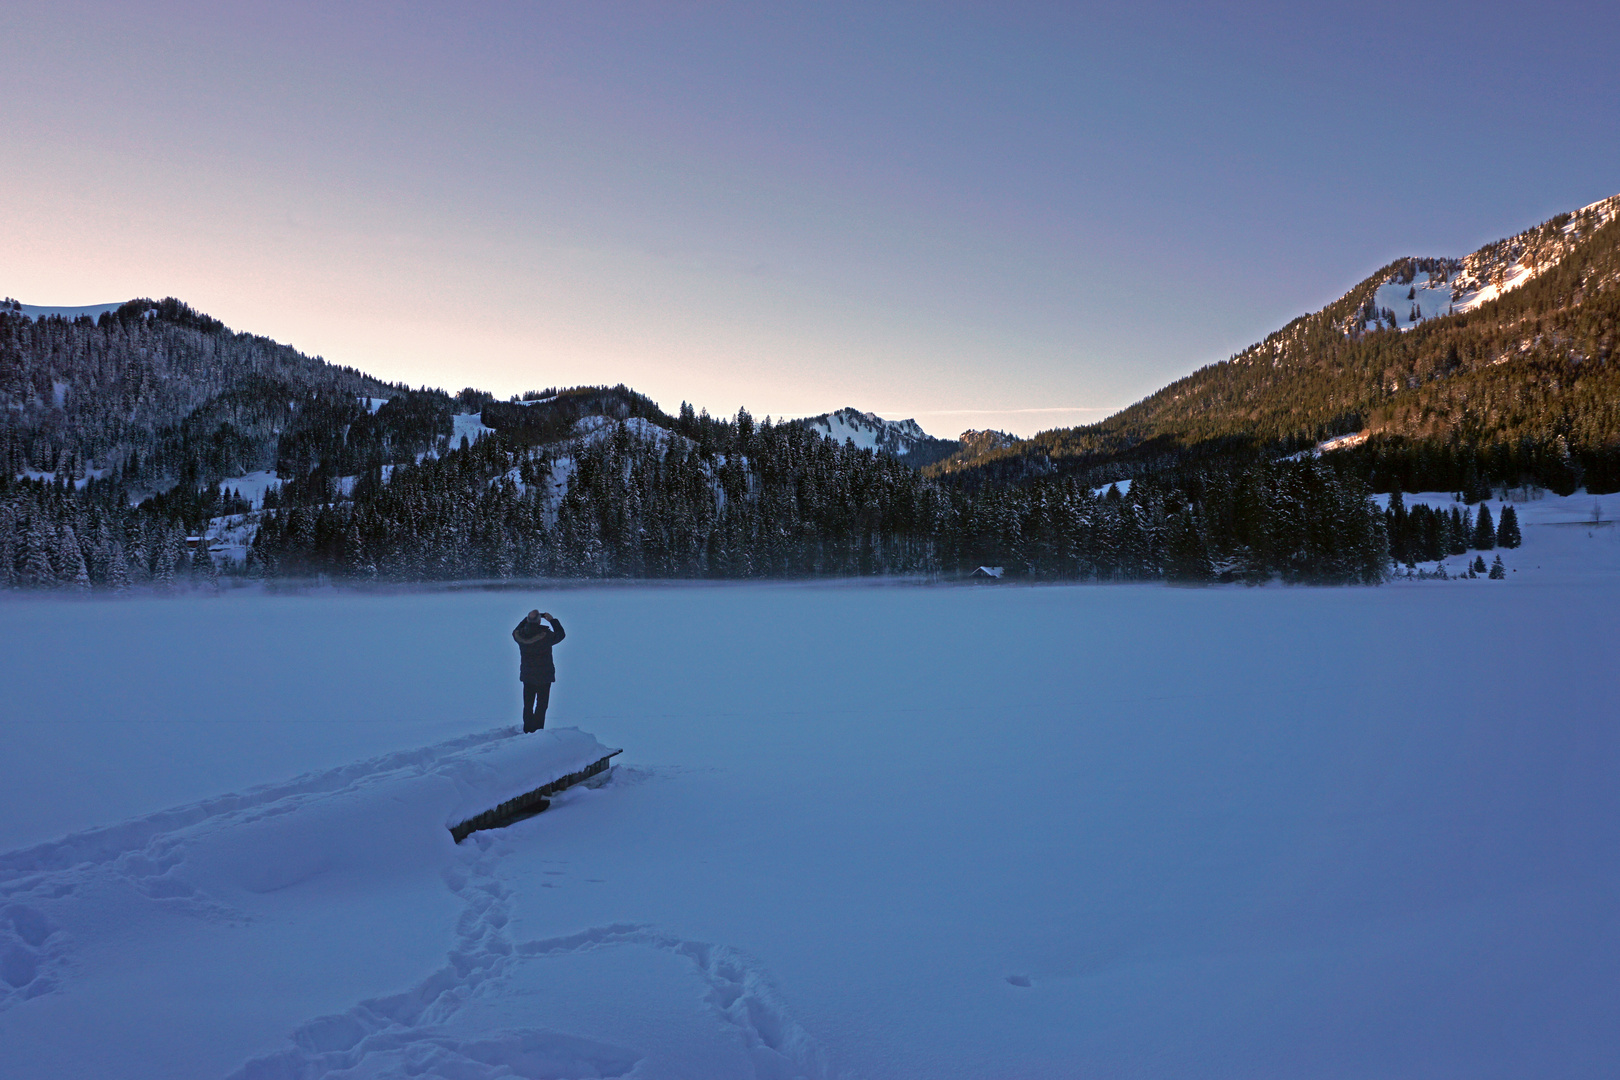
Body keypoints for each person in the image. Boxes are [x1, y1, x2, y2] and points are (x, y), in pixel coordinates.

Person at [513, 609, 565, 732]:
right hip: (544, 676)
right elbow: (561, 634)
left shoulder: (520, 636)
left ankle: (527, 729)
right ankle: (537, 731)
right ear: (539, 621)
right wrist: (552, 620)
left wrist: (526, 620)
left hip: (528, 676)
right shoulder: (546, 636)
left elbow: (515, 630)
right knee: (541, 705)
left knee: (528, 705)